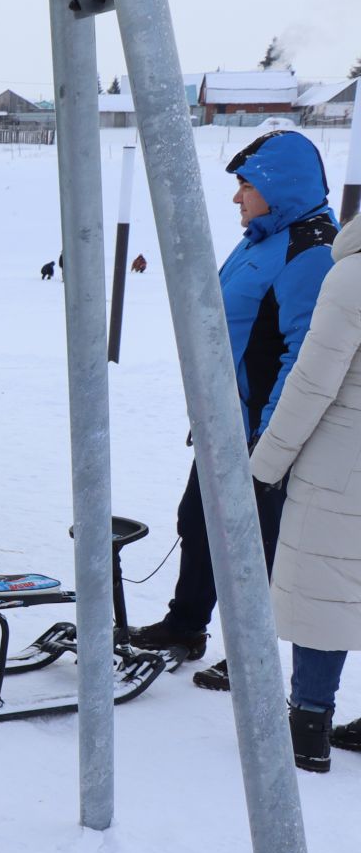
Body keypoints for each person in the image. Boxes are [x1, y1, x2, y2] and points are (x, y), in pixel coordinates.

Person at [129, 130, 339, 690]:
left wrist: (269, 440)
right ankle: (184, 627)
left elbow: (304, 353)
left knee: (263, 547)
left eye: (245, 185)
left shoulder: (311, 251)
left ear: (278, 186)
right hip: (223, 423)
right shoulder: (261, 238)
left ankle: (253, 653)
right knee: (197, 524)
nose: (236, 197)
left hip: (264, 435)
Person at [250, 215, 361, 771]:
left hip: (344, 465)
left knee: (326, 585)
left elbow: (312, 383)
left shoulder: (351, 277)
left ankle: (308, 724)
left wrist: (264, 465)